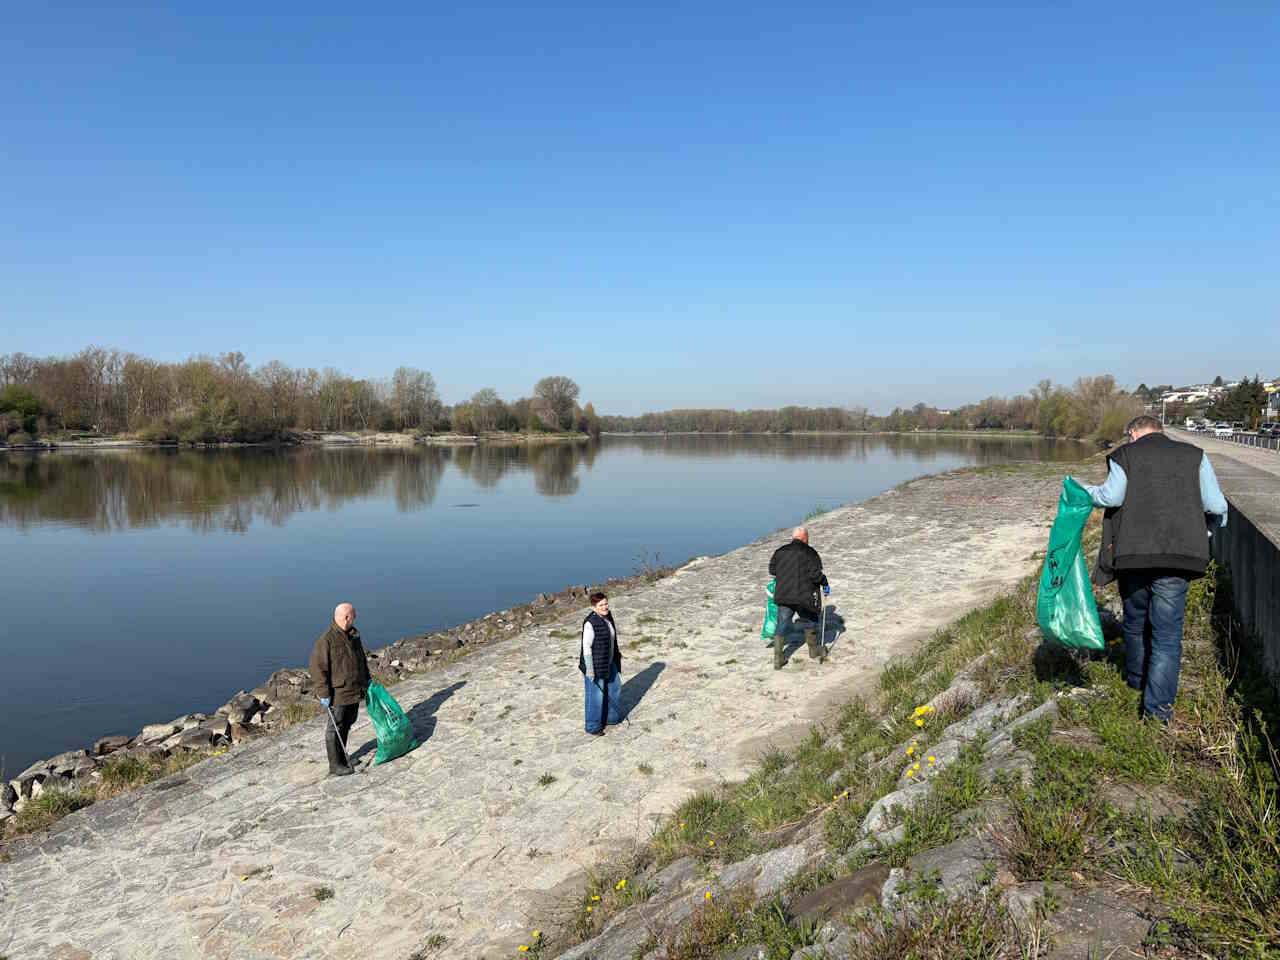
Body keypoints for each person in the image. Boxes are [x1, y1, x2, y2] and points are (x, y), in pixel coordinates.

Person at [1080, 415, 1228, 723]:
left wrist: (1084, 491)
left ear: (1133, 433)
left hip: (1133, 555)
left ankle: (1136, 680)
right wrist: (1206, 531)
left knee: (1135, 622)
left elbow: (1112, 496)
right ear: (1160, 430)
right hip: (1179, 557)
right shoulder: (1195, 455)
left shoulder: (1125, 454)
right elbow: (1216, 506)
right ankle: (1158, 711)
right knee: (1167, 635)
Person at [309, 602, 371, 776]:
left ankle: (343, 757)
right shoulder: (326, 641)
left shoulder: (354, 636)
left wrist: (367, 680)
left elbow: (361, 660)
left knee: (347, 724)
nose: (355, 618)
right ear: (346, 617)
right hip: (338, 693)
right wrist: (324, 694)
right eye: (353, 616)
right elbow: (317, 669)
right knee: (334, 728)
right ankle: (335, 765)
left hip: (353, 690)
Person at [768, 526, 830, 669]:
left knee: (782, 624)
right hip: (805, 596)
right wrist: (825, 582)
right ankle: (813, 651)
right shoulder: (810, 552)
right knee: (811, 622)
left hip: (784, 595)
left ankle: (778, 658)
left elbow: (772, 570)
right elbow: (815, 575)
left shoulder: (780, 551)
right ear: (804, 538)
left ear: (794, 537)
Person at [578, 591, 623, 736]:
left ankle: (611, 718)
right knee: (595, 697)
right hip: (595, 666)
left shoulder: (608, 617)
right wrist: (590, 670)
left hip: (610, 662)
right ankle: (593, 727)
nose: (605, 607)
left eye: (606, 604)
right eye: (601, 605)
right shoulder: (590, 623)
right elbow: (586, 648)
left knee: (615, 689)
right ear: (594, 607)